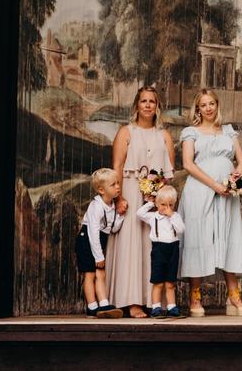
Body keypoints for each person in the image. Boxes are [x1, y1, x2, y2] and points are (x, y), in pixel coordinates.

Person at [178, 88, 242, 316]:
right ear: (197, 108)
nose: (209, 108)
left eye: (212, 103)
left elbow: (241, 160)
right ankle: (195, 296)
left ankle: (233, 297)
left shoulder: (228, 131)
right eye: (204, 104)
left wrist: (234, 179)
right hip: (200, 190)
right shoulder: (191, 132)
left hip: (227, 193)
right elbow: (188, 164)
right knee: (199, 236)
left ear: (217, 106)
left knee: (228, 235)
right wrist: (214, 185)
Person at [107, 85, 175, 317]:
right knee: (132, 244)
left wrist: (159, 195)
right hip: (131, 193)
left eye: (152, 101)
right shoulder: (126, 132)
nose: (147, 105)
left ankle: (153, 300)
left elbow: (168, 173)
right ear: (136, 104)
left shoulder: (164, 135)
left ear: (157, 107)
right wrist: (119, 197)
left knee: (154, 246)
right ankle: (132, 300)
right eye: (143, 101)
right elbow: (116, 166)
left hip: (156, 199)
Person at [75, 168, 125, 318]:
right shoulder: (96, 206)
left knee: (101, 274)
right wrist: (99, 257)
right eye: (113, 185)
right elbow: (93, 232)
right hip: (86, 240)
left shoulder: (111, 206)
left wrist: (121, 215)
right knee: (90, 274)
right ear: (101, 190)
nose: (118, 187)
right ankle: (92, 306)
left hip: (100, 240)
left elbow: (112, 228)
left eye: (118, 183)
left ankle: (104, 304)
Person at [137, 185, 185, 318]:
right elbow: (139, 214)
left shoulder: (175, 216)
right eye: (163, 204)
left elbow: (181, 229)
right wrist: (150, 202)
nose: (166, 208)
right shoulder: (153, 217)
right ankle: (156, 307)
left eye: (170, 205)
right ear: (157, 204)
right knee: (158, 282)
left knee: (170, 282)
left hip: (173, 249)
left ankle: (171, 307)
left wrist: (172, 216)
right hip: (158, 249)